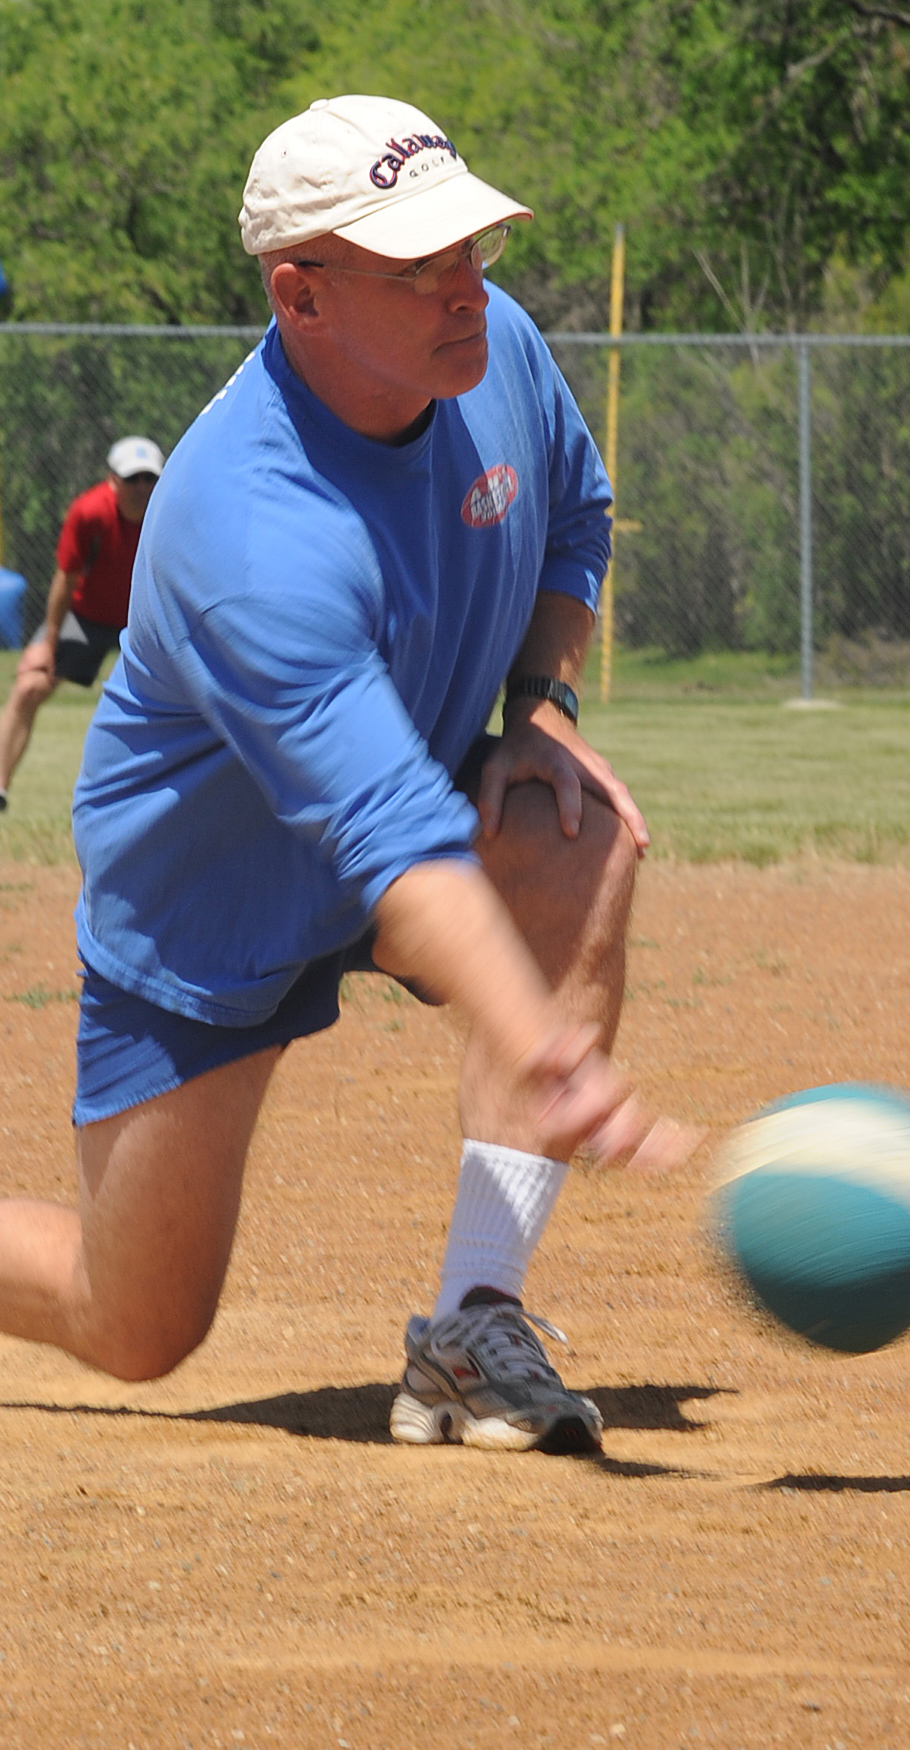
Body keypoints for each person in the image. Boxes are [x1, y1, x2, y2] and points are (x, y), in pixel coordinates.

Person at [0, 95, 687, 1456]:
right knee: (133, 1321)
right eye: (415, 264)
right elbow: (393, 842)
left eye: (468, 249)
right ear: (299, 296)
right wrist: (543, 1043)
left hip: (413, 797)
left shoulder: (498, 358)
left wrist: (541, 705)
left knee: (573, 821)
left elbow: (578, 520)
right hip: (218, 896)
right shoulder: (249, 524)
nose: (461, 289)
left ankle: (471, 1332)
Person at [0, 436, 164, 812]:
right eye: (132, 478)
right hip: (85, 617)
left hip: (142, 622)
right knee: (29, 687)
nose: (141, 488)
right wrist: (46, 642)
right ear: (112, 479)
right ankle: (0, 788)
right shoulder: (90, 512)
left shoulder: (169, 512)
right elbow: (65, 579)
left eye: (149, 479)